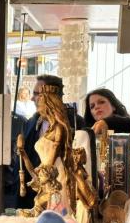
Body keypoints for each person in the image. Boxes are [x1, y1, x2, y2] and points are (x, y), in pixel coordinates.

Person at [21, 75, 84, 208]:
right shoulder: (30, 123)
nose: (32, 98)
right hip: (35, 193)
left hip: (61, 191)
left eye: (37, 94)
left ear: (51, 96)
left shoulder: (75, 123)